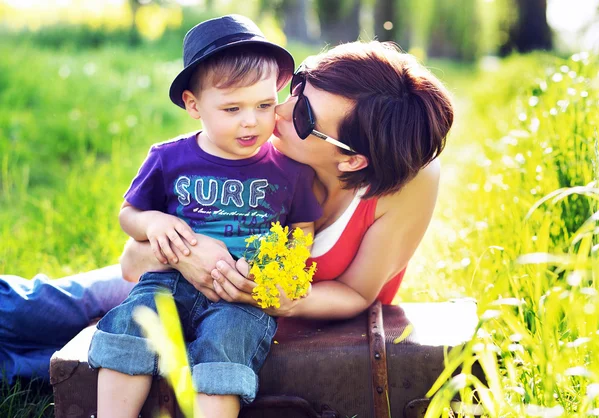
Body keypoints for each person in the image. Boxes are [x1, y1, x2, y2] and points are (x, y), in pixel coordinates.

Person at [0, 33, 453, 409]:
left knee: (68, 356)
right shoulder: (254, 143)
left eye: (302, 114)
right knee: (57, 304)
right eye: (297, 86)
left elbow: (357, 291)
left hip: (249, 325)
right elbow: (132, 261)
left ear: (353, 160)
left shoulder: (404, 185)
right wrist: (190, 255)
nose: (273, 111)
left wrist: (287, 300)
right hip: (173, 276)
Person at [86, 14, 322, 418]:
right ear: (194, 105)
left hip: (240, 297)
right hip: (168, 280)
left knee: (226, 344)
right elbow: (129, 214)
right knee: (131, 324)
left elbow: (301, 228)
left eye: (264, 105)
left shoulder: (289, 171)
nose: (251, 120)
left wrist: (282, 270)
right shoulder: (169, 158)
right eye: (232, 108)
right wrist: (153, 223)